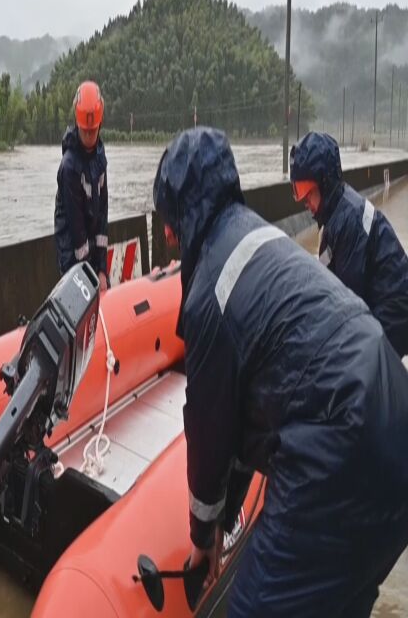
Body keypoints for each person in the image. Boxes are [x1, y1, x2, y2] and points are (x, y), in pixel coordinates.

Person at [152, 127, 408, 617]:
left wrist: (204, 535)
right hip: (395, 429)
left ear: (189, 211)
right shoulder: (264, 240)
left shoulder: (210, 295)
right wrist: (231, 517)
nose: (167, 234)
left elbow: (210, 433)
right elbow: (257, 412)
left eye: (171, 218)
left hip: (340, 449)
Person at [290, 131, 408, 356]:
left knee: (364, 369)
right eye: (300, 194)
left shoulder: (349, 219)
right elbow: (327, 274)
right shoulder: (336, 214)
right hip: (389, 304)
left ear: (325, 182)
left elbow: (347, 301)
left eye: (308, 193)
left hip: (393, 311)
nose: (305, 201)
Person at [55, 81, 110, 287]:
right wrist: (89, 273)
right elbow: (76, 228)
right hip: (72, 253)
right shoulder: (69, 167)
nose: (89, 136)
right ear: (77, 125)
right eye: (85, 131)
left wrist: (102, 268)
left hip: (92, 248)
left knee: (104, 289)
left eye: (93, 131)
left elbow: (102, 211)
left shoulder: (100, 157)